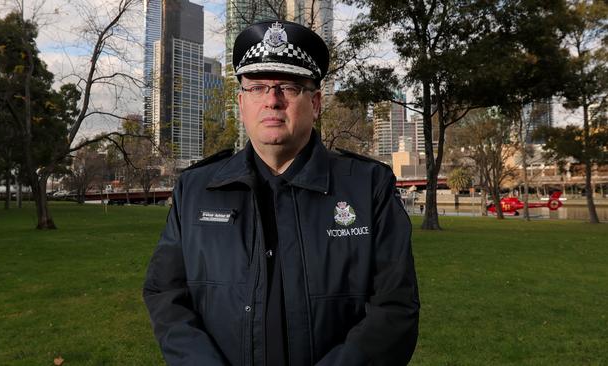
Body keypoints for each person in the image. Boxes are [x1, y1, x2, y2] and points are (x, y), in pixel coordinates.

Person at [143, 20, 420, 366]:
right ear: (241, 103)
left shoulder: (368, 189)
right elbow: (166, 293)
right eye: (257, 87)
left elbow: (395, 309)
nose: (272, 101)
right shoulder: (196, 190)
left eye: (288, 86)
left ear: (316, 103)